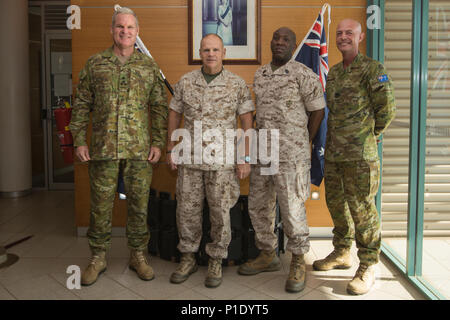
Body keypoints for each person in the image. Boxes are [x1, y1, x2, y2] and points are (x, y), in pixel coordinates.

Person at [69, 7, 168, 286]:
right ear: (112, 30)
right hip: (102, 149)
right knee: (100, 206)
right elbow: (81, 105)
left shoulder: (148, 67)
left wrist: (159, 143)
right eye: (120, 27)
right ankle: (97, 257)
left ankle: (138, 255)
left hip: (139, 150)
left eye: (130, 28)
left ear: (137, 33)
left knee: (138, 204)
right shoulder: (95, 63)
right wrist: (79, 140)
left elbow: (160, 108)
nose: (125, 32)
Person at [237, 27, 325, 293]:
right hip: (264, 154)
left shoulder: (303, 74)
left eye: (286, 39)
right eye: (276, 38)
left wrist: (305, 142)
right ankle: (268, 254)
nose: (279, 42)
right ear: (271, 42)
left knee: (292, 209)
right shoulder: (261, 74)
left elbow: (318, 111)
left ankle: (298, 260)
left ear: (293, 45)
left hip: (291, 154)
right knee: (259, 206)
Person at [312, 19, 396, 295]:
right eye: (339, 33)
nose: (343, 37)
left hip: (361, 156)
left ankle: (368, 265)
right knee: (336, 205)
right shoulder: (334, 73)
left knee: (363, 211)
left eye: (349, 33)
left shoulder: (372, 70)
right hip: (335, 154)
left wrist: (370, 135)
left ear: (360, 37)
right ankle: (342, 252)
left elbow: (387, 109)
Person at [166, 33, 254, 288]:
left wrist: (245, 156)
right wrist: (170, 147)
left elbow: (247, 122)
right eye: (206, 50)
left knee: (220, 213)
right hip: (190, 161)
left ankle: (216, 259)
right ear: (200, 53)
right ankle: (188, 256)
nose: (211, 54)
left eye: (215, 50)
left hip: (222, 162)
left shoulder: (237, 84)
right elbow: (174, 115)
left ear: (224, 52)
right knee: (187, 211)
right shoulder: (186, 81)